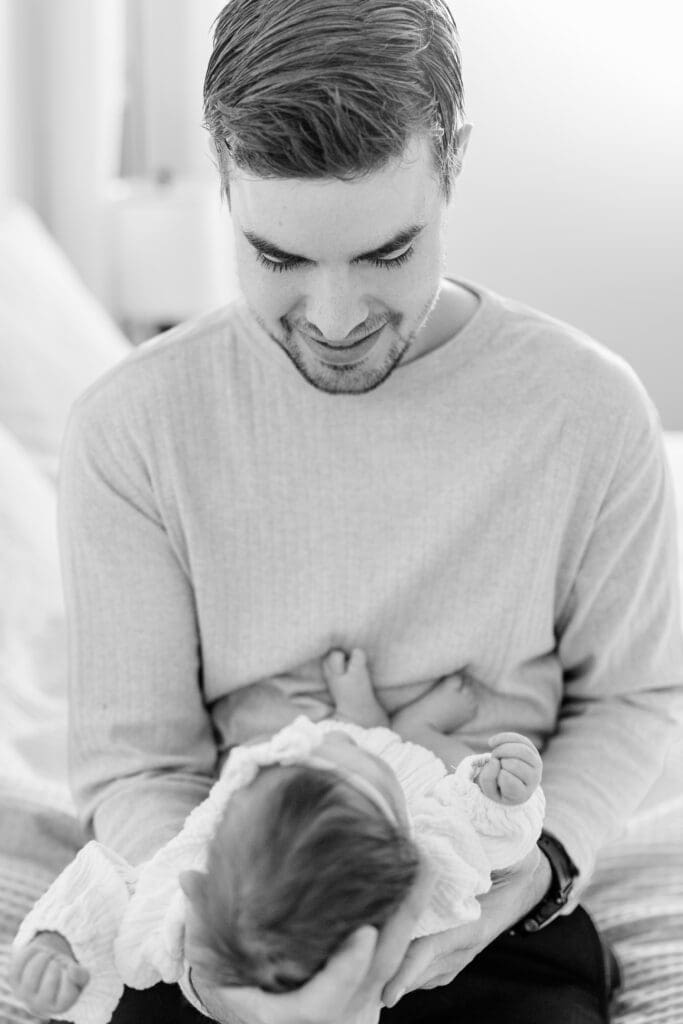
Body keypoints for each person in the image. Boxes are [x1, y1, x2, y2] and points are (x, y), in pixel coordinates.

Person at [45, 0, 683, 1020]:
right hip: (237, 905)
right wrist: (228, 967)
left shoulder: (588, 411)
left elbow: (630, 698)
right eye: (279, 258)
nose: (335, 321)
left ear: (451, 162)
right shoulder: (132, 428)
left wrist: (511, 884)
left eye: (386, 254)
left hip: (491, 907)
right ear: (221, 174)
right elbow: (139, 765)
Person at [10, 651, 544, 1023]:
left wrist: (59, 946)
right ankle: (400, 725)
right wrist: (497, 792)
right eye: (353, 760)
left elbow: (113, 893)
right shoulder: (419, 864)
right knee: (430, 750)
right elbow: (480, 841)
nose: (319, 741)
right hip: (414, 770)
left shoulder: (199, 890)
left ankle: (362, 715)